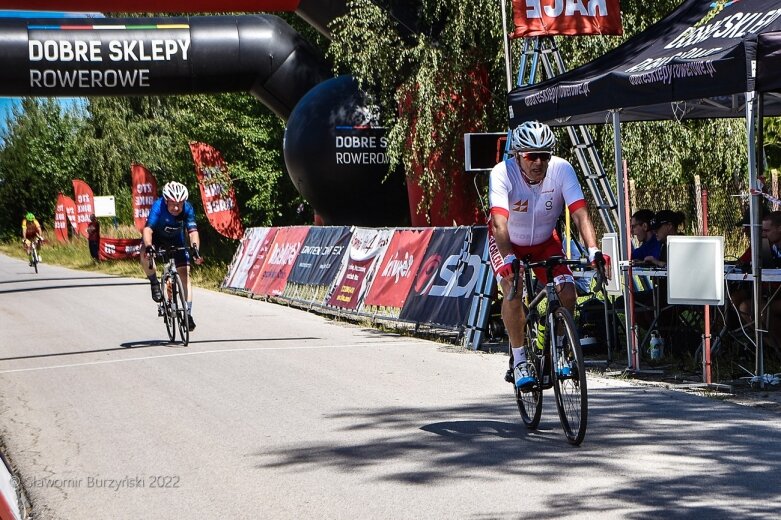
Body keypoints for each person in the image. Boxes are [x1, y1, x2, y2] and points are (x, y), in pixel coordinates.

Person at [489, 120, 608, 390]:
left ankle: (557, 347)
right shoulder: (502, 173)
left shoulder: (562, 170)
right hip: (508, 241)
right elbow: (499, 224)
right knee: (513, 288)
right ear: (518, 155)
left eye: (545, 155)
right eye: (532, 156)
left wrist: (593, 249)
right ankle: (519, 359)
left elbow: (580, 213)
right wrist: (509, 260)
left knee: (567, 291)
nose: (539, 162)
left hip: (545, 241)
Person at [141, 181, 204, 331]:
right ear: (166, 200)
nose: (176, 208)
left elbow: (193, 232)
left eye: (180, 204)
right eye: (173, 204)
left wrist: (195, 250)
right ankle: (154, 282)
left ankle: (187, 314)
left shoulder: (187, 209)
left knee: (185, 274)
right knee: (144, 253)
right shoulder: (158, 206)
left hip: (176, 239)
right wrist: (149, 246)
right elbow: (148, 229)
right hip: (156, 238)